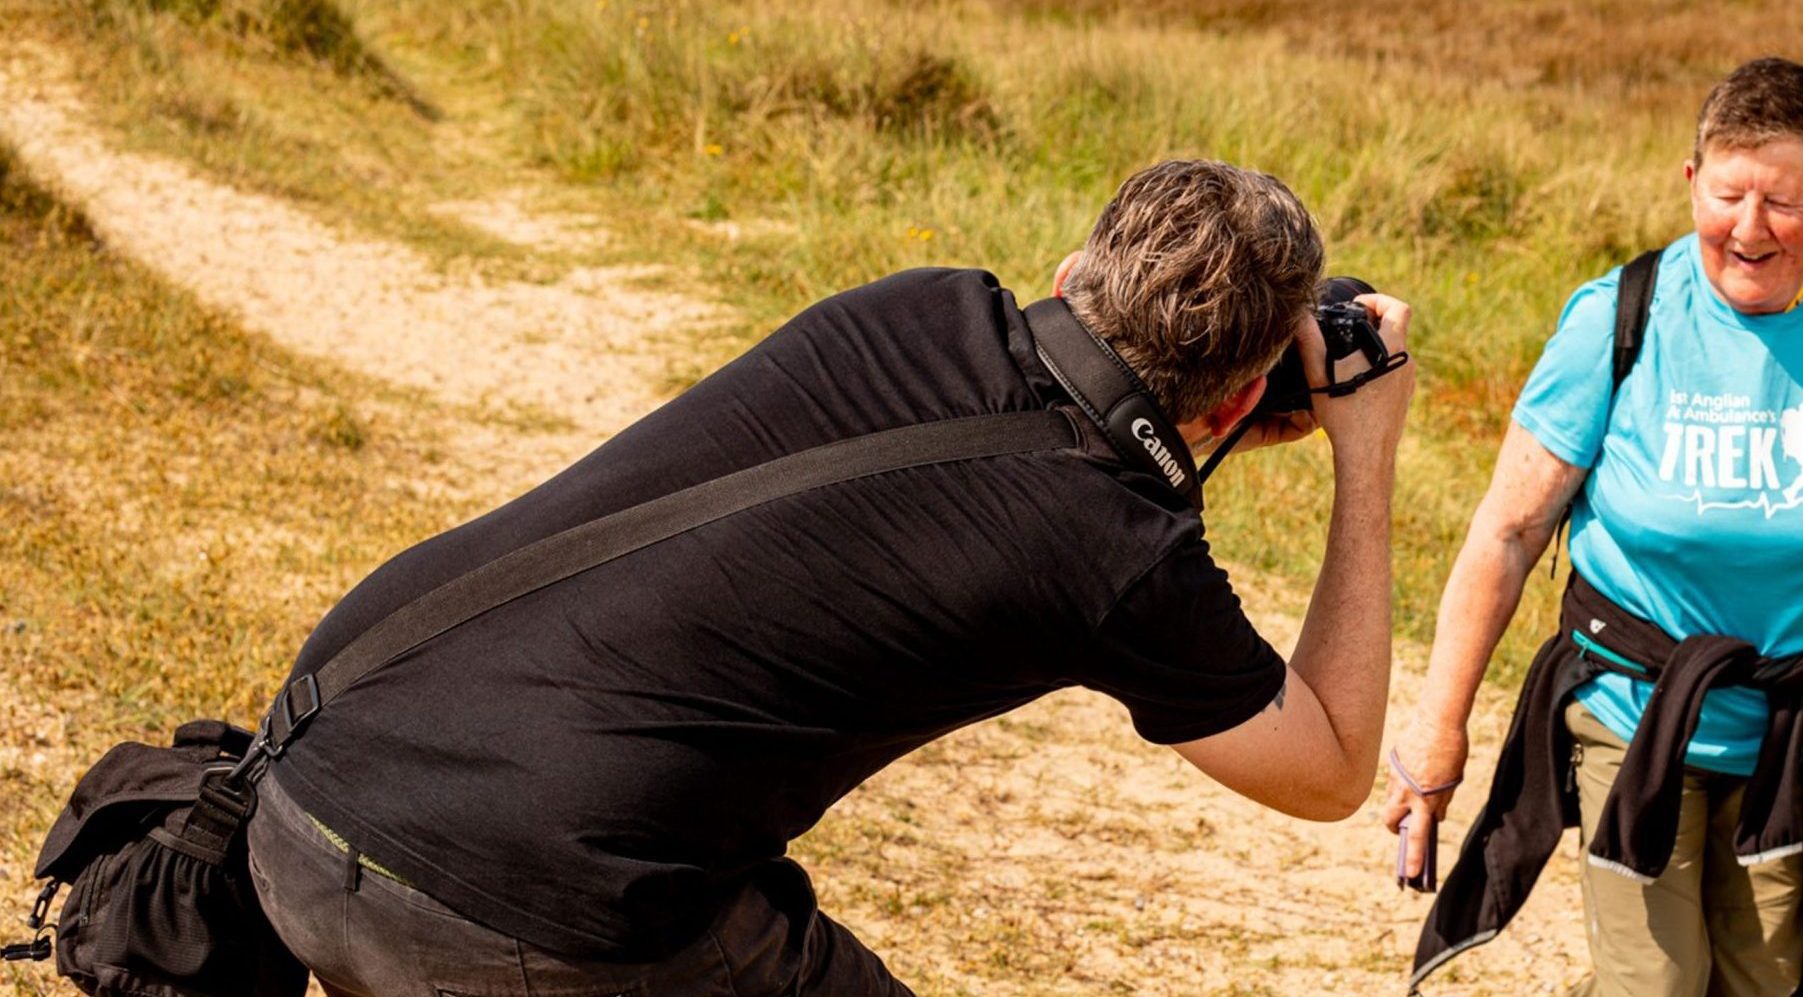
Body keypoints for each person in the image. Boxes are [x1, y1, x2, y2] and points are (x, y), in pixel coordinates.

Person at [243, 159, 1417, 995]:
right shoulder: (1120, 551)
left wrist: (1187, 430)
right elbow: (1325, 771)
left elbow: (1002, 442)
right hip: (516, 910)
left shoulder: (914, 303)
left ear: (1071, 272)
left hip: (305, 782)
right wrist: (1364, 458)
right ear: (1229, 398)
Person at [1381, 58, 1803, 996]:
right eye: (1728, 193)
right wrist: (1437, 730)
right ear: (1692, 180)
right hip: (1630, 719)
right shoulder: (1619, 316)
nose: (1749, 228)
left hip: (1795, 736)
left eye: (1783, 201)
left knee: (1765, 985)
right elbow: (1509, 531)